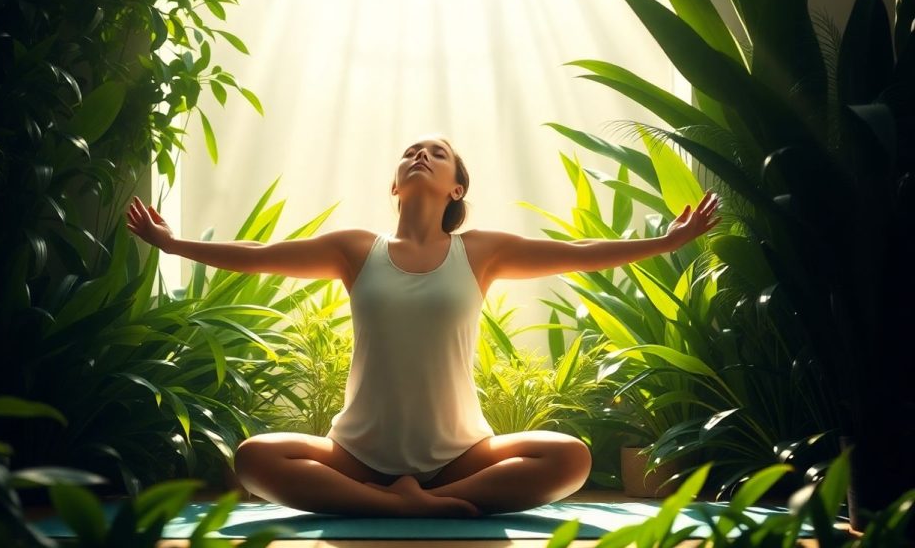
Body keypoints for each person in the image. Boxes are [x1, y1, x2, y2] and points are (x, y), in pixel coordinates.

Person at [126, 134, 720, 518]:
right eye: (410, 151)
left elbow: (579, 249)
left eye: (436, 153)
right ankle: (410, 506)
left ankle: (416, 500)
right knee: (255, 458)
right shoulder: (355, 250)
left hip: (461, 452)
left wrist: (665, 241)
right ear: (394, 184)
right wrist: (174, 245)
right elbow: (261, 253)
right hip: (357, 451)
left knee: (571, 458)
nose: (419, 155)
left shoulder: (479, 252)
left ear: (456, 188)